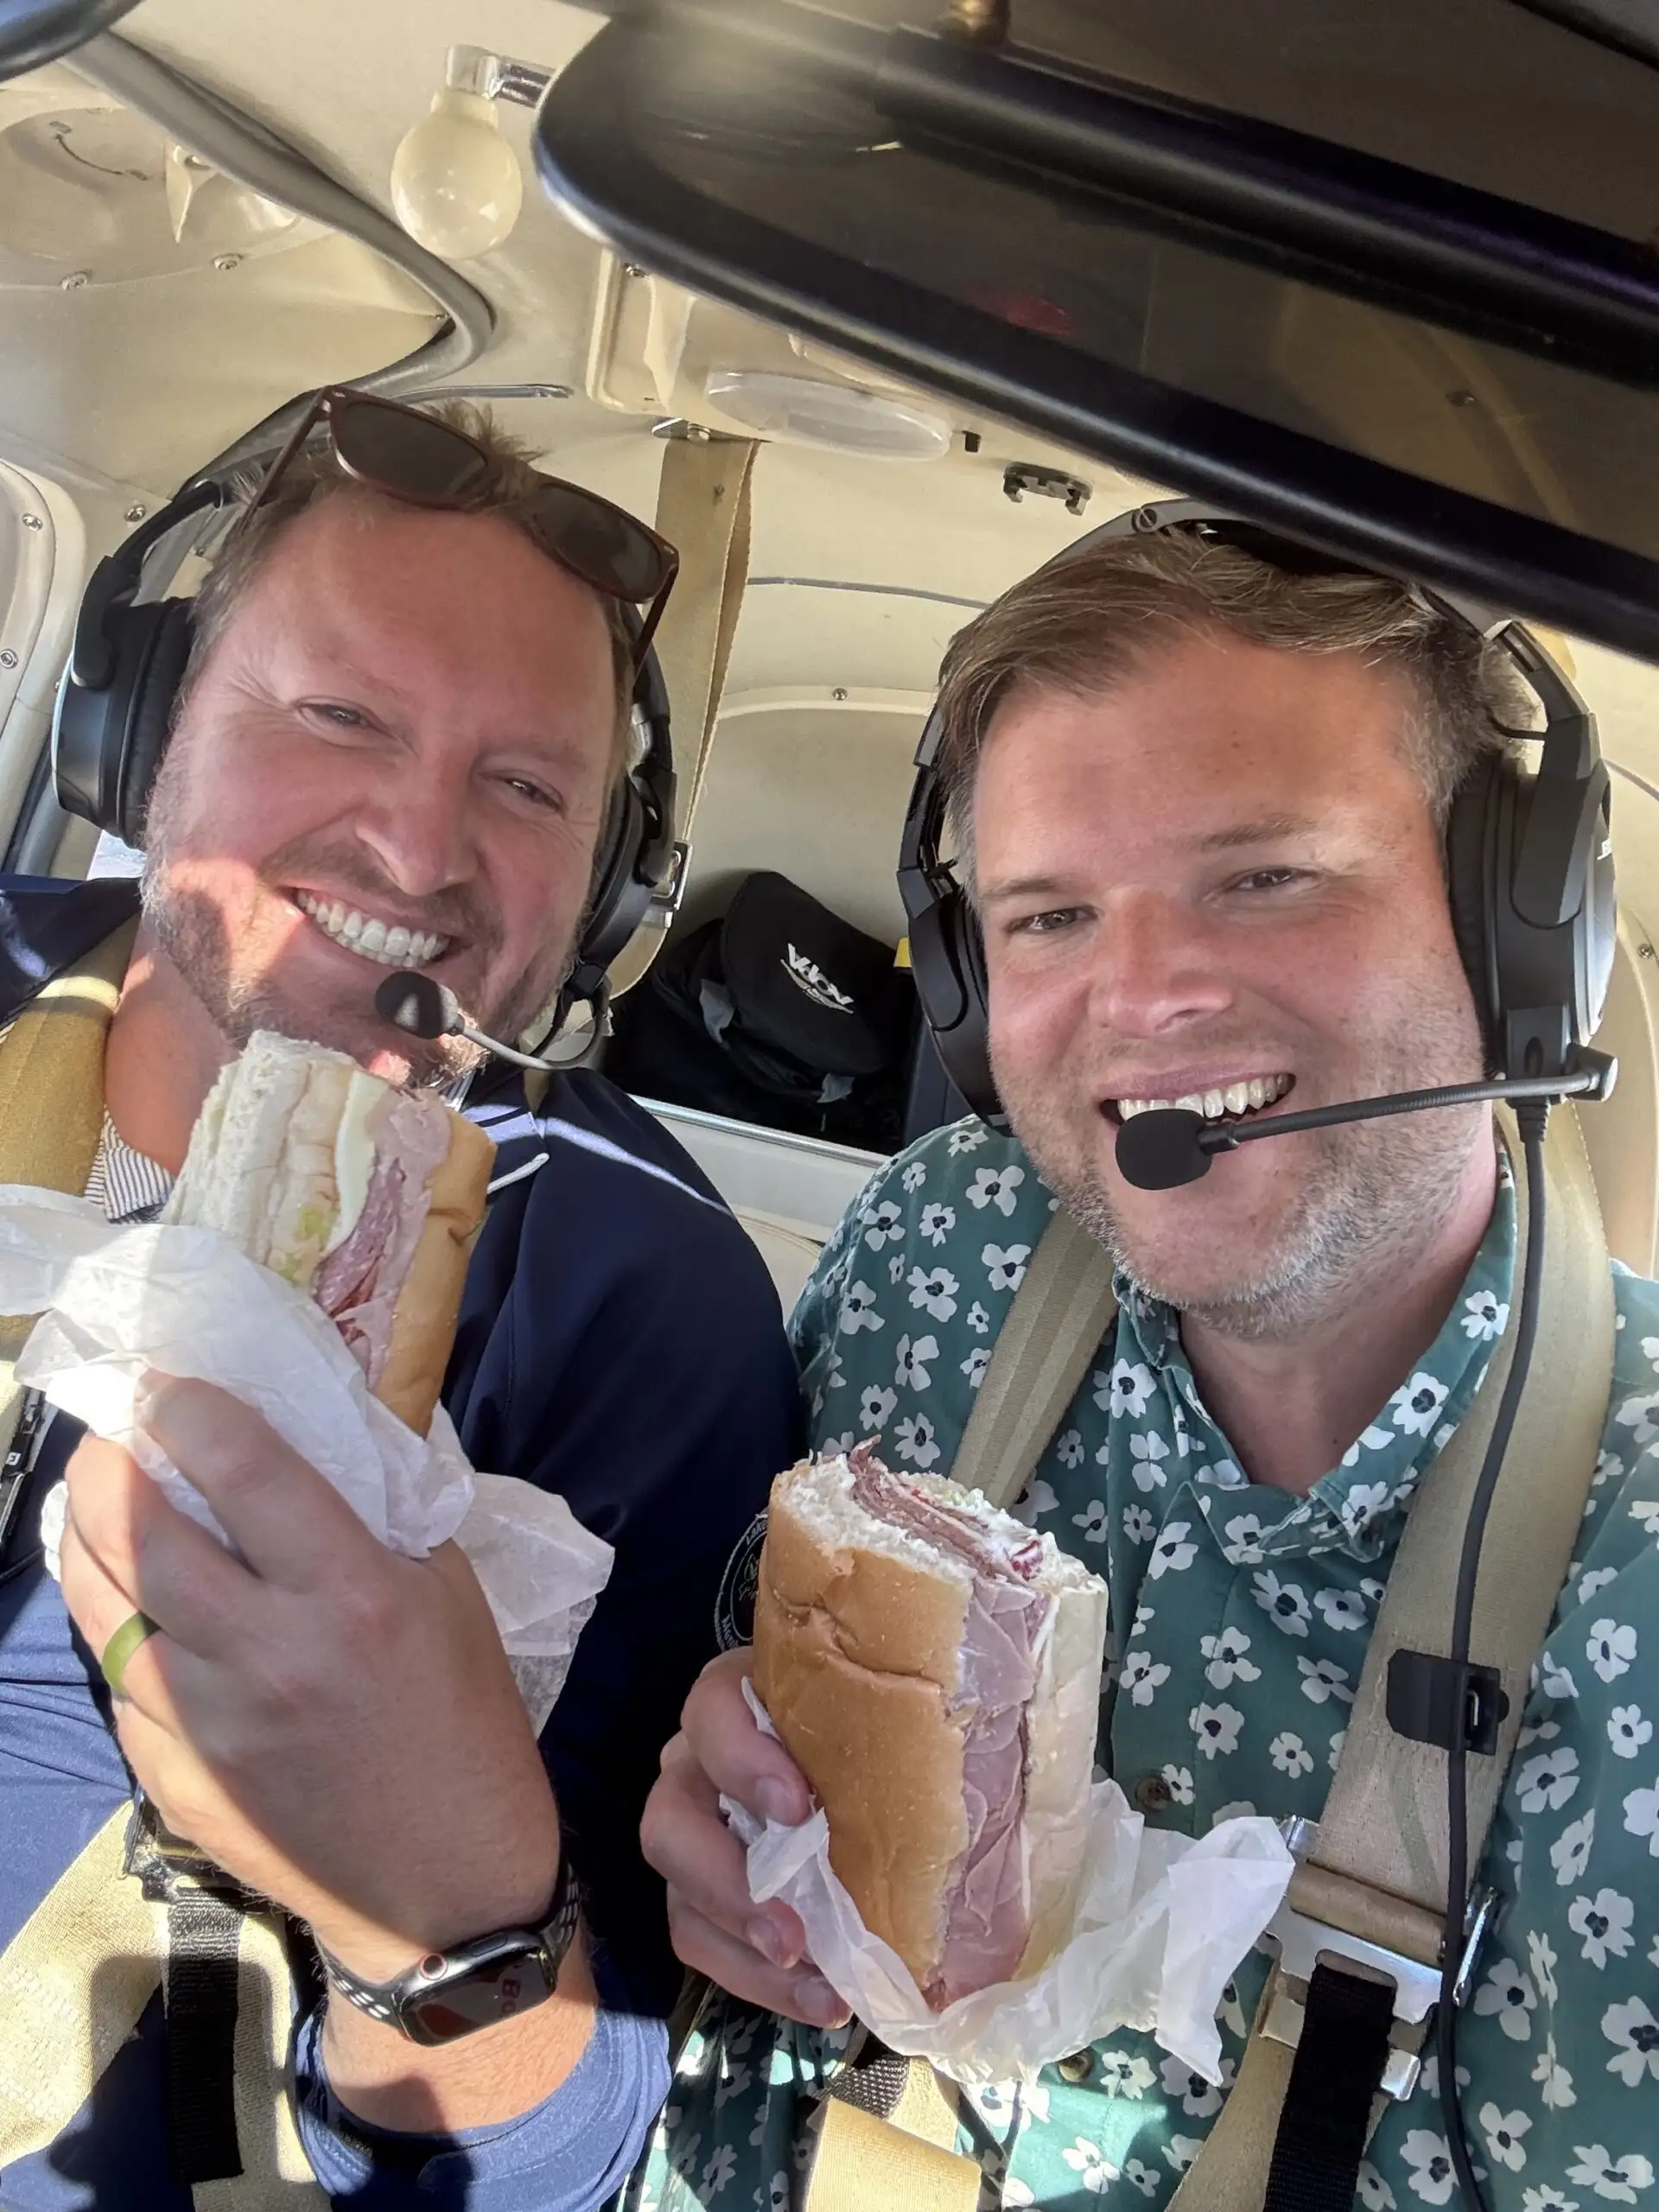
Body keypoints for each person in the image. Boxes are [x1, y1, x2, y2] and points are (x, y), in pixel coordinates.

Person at [634, 524, 1659, 2210]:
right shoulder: (941, 1245)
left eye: (1265, 874)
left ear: (1516, 927)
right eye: (1048, 915)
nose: (1145, 992)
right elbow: (743, 1685)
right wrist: (730, 1797)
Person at [0, 396, 802, 2209]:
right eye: (338, 715)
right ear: (141, 728)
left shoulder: (646, 1306)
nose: (419, 850)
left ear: (610, 890)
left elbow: (552, 2159)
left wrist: (447, 1910)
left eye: (525, 786)